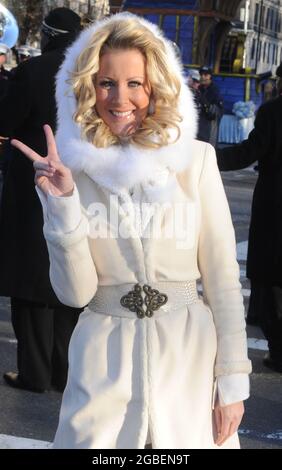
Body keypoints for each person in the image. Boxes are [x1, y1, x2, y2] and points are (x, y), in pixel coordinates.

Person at [13, 13, 251, 448]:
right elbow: (75, 294)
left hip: (188, 367)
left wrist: (232, 378)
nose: (120, 98)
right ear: (87, 87)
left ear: (155, 86)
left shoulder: (194, 161)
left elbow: (222, 277)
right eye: (106, 83)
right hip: (102, 371)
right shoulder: (72, 173)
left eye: (134, 83)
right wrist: (62, 204)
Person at [0, 7, 83, 393]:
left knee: (31, 281)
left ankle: (34, 372)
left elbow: (5, 120)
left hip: (34, 183)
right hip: (82, 184)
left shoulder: (33, 71)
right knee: (72, 278)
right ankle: (64, 370)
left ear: (48, 33)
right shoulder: (94, 70)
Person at [216, 80, 282, 374]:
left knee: (269, 278)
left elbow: (248, 152)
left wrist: (208, 156)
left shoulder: (272, 112)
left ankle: (278, 350)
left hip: (275, 206)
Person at [198, 66, 223, 147]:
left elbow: (216, 111)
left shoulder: (215, 90)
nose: (202, 77)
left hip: (210, 126)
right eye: (201, 74)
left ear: (210, 77)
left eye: (205, 75)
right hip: (199, 127)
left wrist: (203, 100)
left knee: (209, 148)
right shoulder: (199, 88)